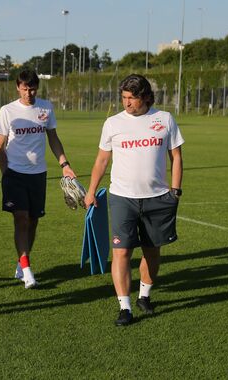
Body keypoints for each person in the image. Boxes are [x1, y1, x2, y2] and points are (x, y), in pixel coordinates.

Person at [84, 74, 184, 326]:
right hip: (122, 198)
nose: (127, 103)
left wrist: (175, 190)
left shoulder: (165, 119)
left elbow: (177, 157)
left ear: (146, 97)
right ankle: (124, 307)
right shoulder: (112, 123)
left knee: (152, 251)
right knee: (122, 252)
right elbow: (102, 160)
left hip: (158, 198)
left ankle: (144, 296)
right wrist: (91, 191)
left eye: (132, 98)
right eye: (124, 98)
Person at [0, 70, 78, 289]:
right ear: (17, 87)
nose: (29, 93)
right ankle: (28, 269)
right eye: (24, 88)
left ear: (37, 88)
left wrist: (64, 164)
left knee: (33, 221)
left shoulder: (45, 107)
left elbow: (53, 138)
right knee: (21, 218)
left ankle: (21, 264)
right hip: (14, 174)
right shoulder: (8, 111)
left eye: (32, 88)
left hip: (38, 174)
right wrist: (6, 174)